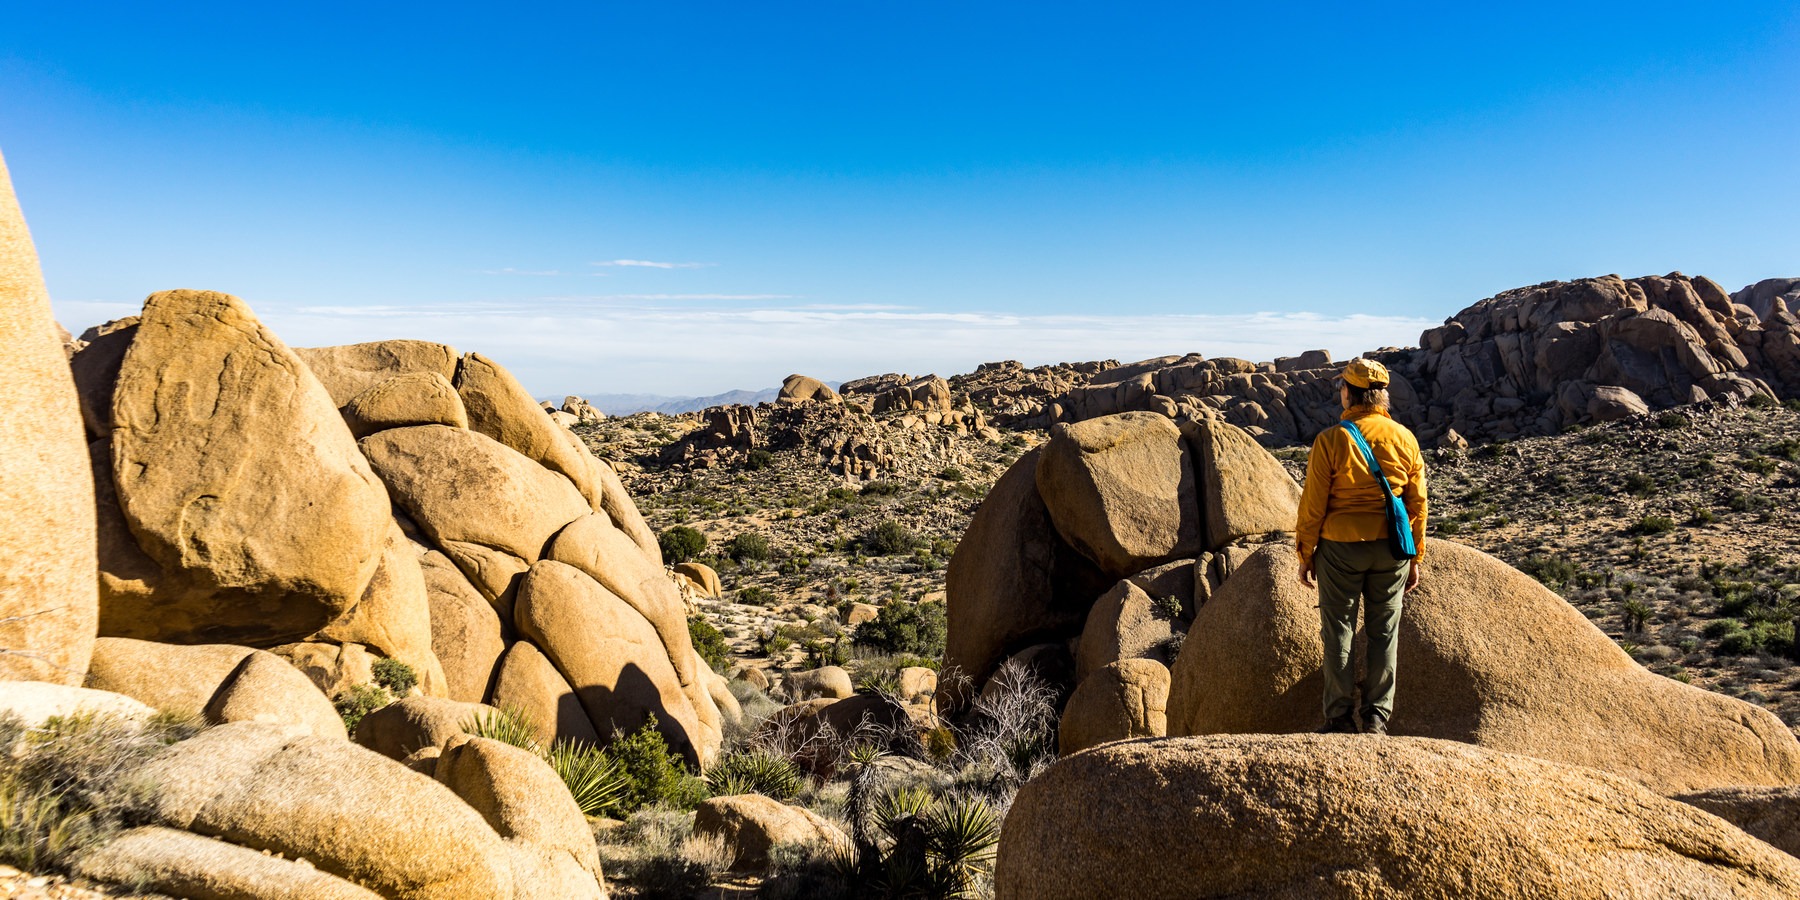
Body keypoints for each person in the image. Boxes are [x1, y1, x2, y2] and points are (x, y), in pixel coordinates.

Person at [1294, 357, 1428, 736]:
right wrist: (1415, 555)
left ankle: (1338, 717)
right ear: (1382, 397)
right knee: (1385, 631)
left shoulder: (1331, 440)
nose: (1340, 392)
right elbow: (1417, 504)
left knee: (1339, 629)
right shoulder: (1405, 438)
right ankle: (1376, 718)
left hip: (1340, 548)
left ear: (1349, 393)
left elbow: (1313, 505)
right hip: (1391, 548)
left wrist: (1305, 553)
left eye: (1342, 387)